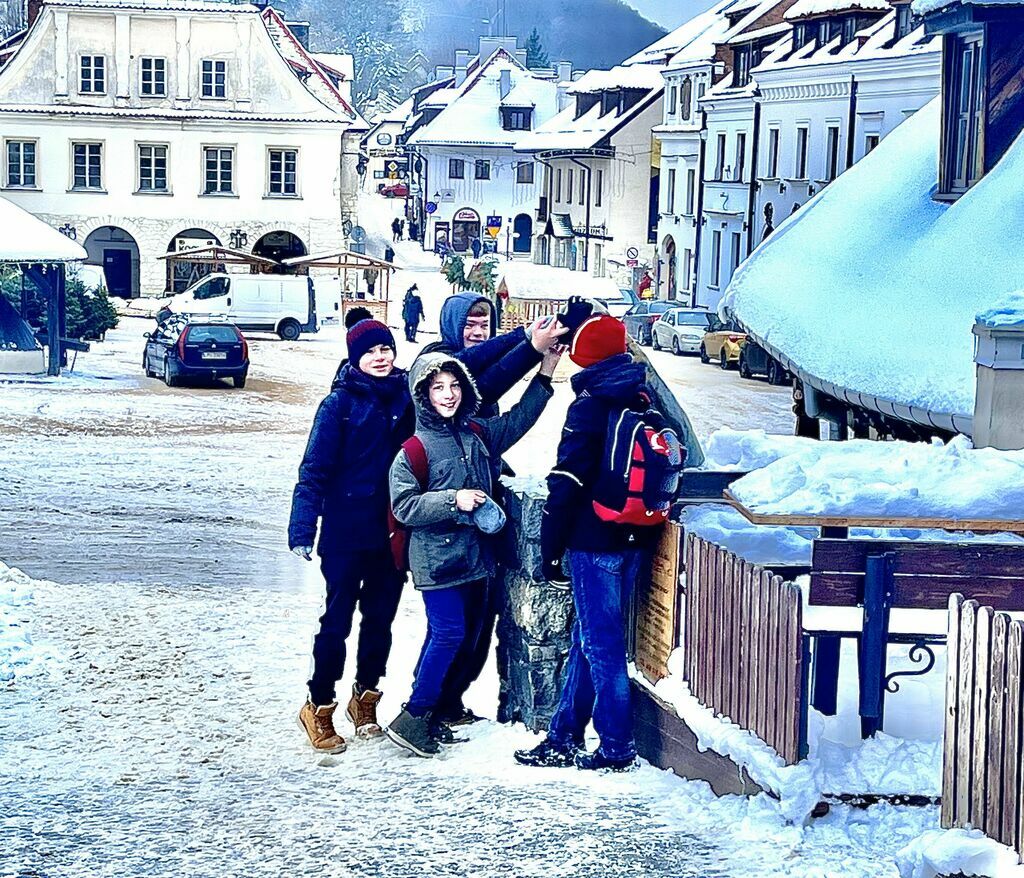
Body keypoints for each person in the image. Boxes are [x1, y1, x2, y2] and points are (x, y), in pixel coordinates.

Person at [385, 348, 561, 756]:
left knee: (455, 638)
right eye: (438, 388)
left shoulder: (477, 436)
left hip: (475, 559)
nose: (448, 395)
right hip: (438, 561)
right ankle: (414, 715)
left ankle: (434, 712)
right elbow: (404, 507)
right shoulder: (413, 450)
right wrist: (453, 499)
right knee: (448, 634)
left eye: (454, 387)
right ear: (422, 395)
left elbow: (519, 420)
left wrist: (547, 369)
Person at [515, 315, 663, 772]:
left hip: (593, 540)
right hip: (635, 536)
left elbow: (566, 482)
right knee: (588, 639)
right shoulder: (642, 396)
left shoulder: (590, 404)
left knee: (602, 646)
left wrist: (549, 546)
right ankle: (564, 734)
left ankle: (617, 747)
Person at [289, 319, 415, 753]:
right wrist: (303, 526)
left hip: (392, 532)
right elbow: (314, 470)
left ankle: (365, 699)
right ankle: (318, 706)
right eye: (371, 352)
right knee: (337, 623)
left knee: (380, 621)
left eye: (386, 349)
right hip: (345, 533)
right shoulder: (338, 404)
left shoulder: (406, 396)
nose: (381, 358)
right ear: (355, 358)